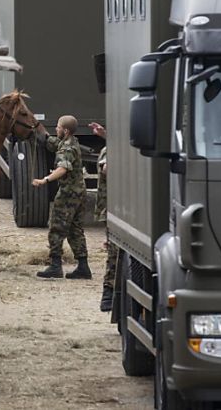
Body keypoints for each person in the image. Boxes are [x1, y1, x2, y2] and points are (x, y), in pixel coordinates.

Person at [32, 115, 91, 279]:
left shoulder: (67, 149)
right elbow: (51, 142)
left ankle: (55, 265)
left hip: (68, 194)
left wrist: (45, 180)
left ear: (65, 130)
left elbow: (63, 168)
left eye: (58, 127)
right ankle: (83, 267)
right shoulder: (71, 142)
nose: (56, 129)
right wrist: (38, 127)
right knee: (75, 230)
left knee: (56, 228)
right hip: (79, 192)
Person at [90, 122, 119, 312]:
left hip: (114, 209)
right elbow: (106, 169)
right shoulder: (111, 150)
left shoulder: (113, 148)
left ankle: (109, 293)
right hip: (112, 209)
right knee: (114, 253)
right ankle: (108, 293)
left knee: (114, 252)